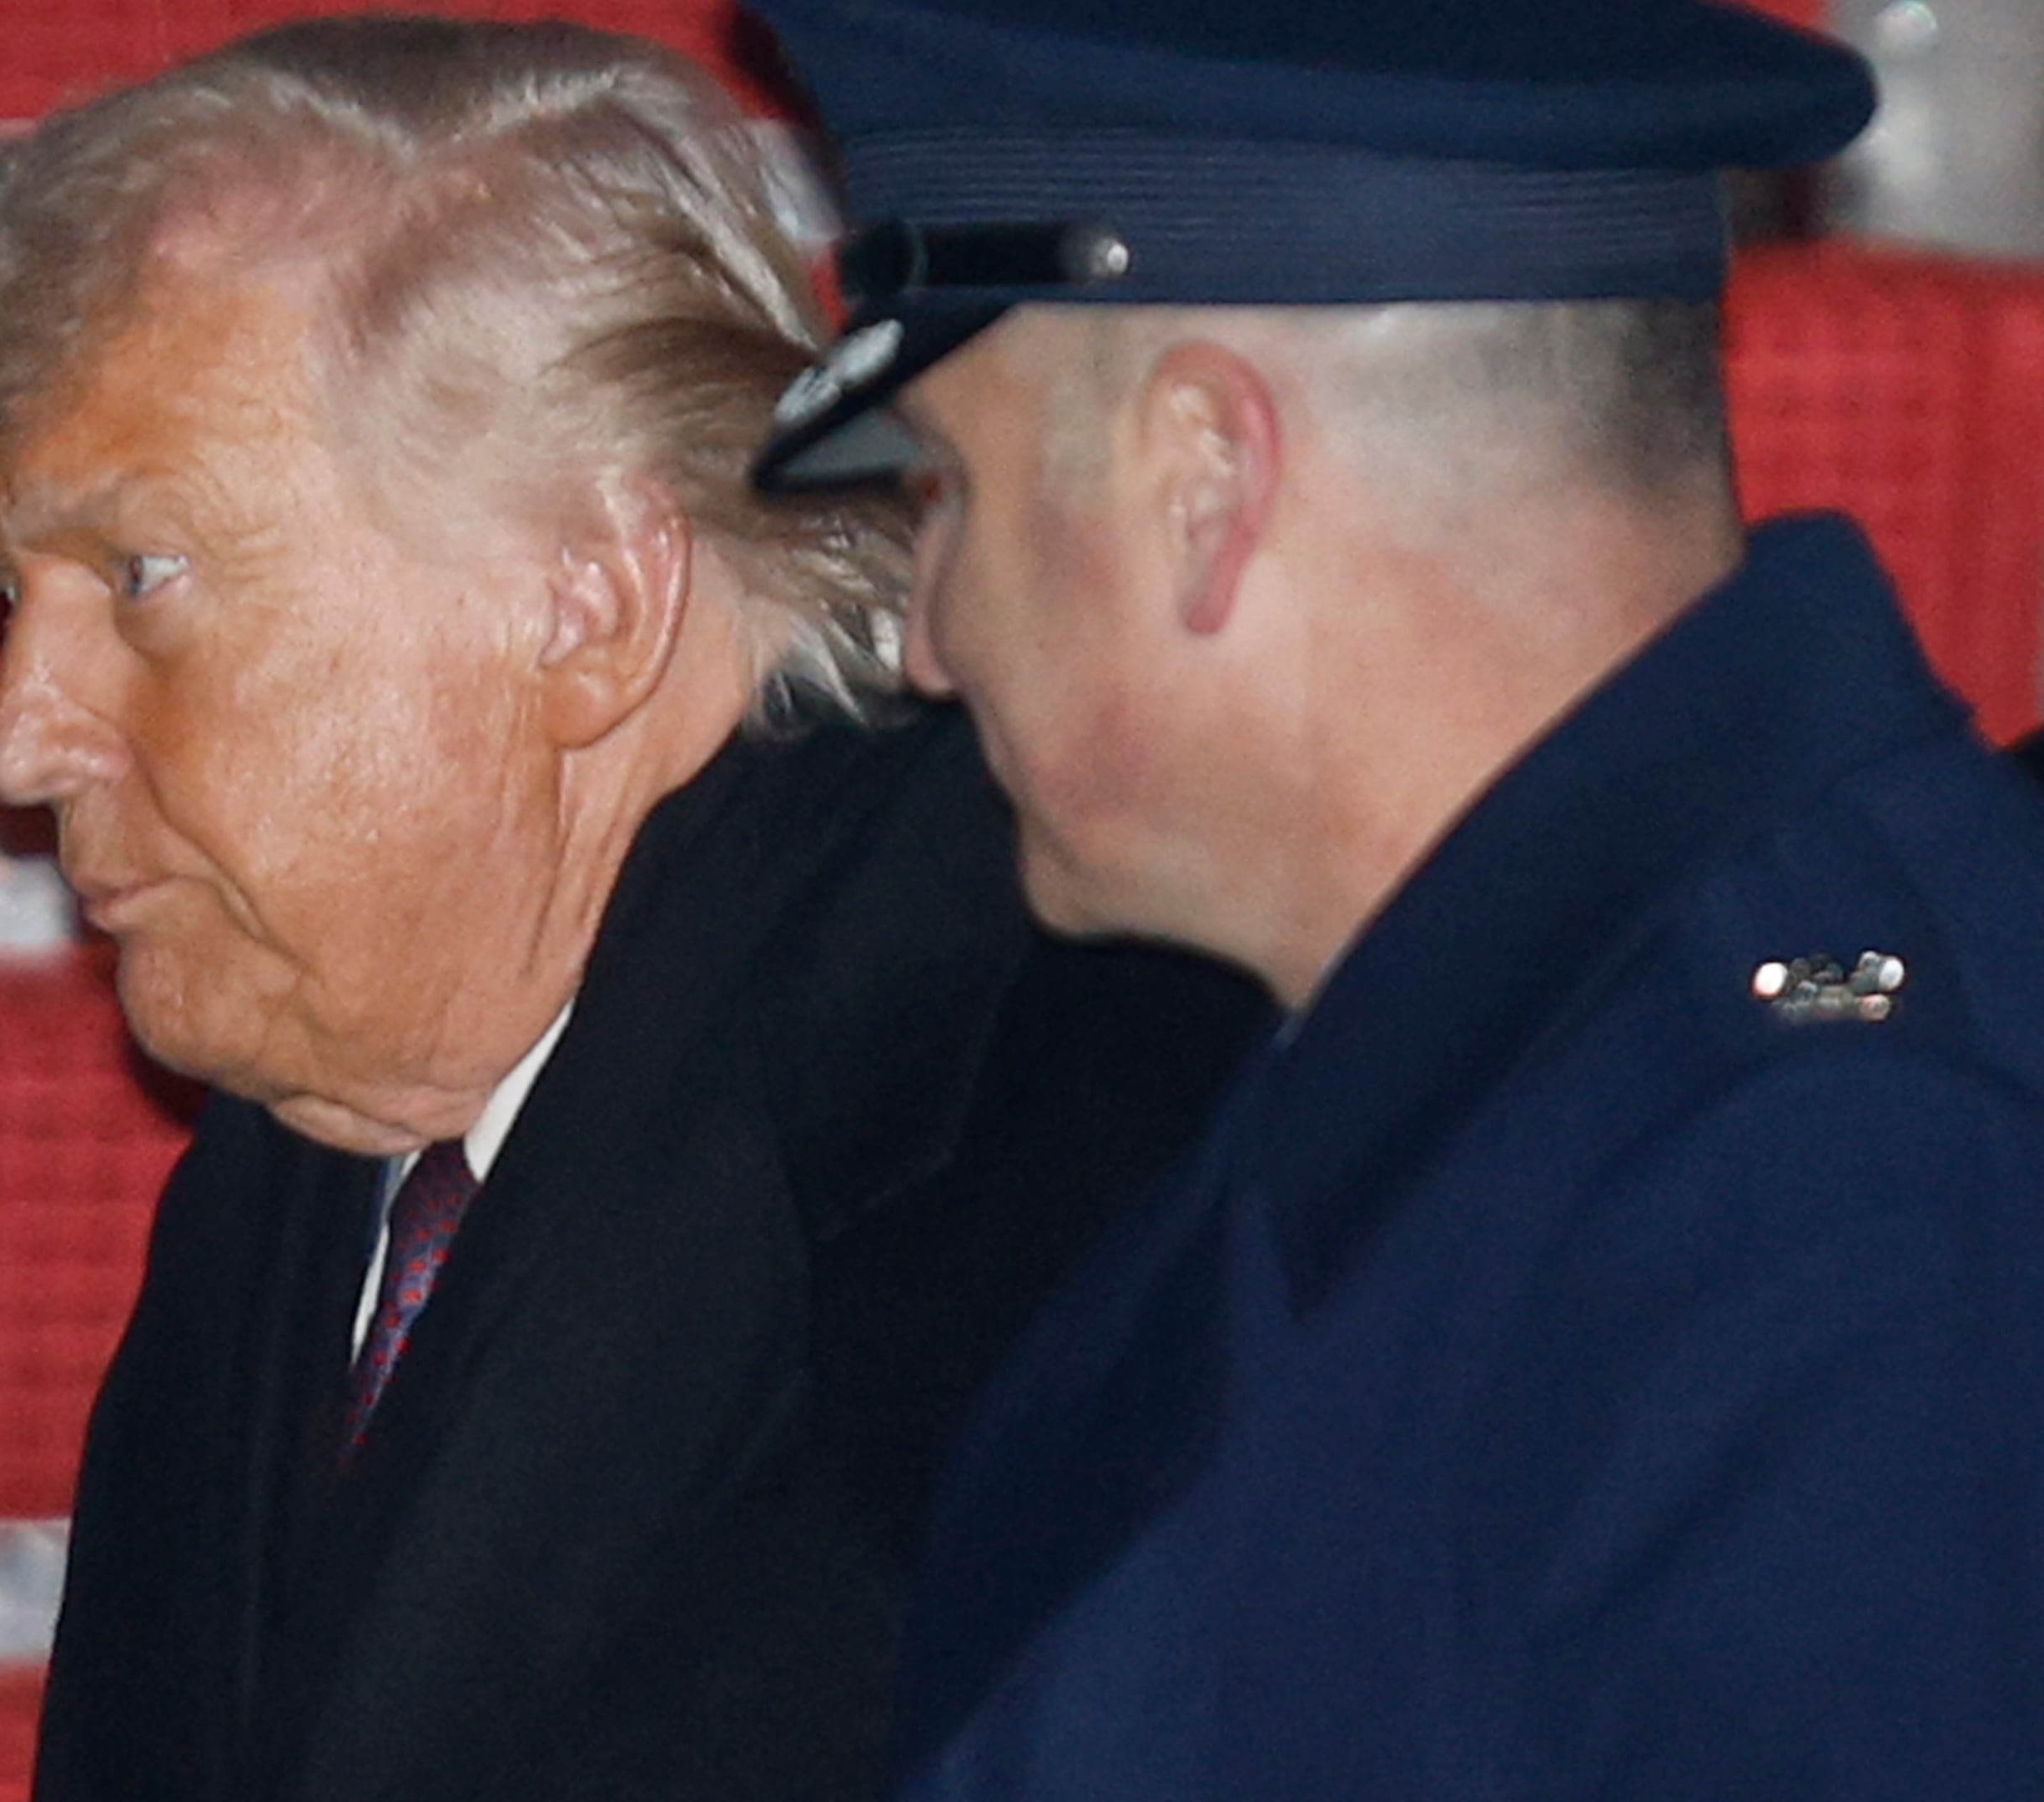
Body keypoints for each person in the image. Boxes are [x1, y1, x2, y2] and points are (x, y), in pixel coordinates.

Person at [0, 17, 1269, 1802]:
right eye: (11, 602)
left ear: (591, 599)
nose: (21, 739)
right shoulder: (304, 1142)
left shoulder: (1076, 1105)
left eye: (142, 574)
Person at [741, 0, 2044, 1796]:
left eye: (949, 489)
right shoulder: (1488, 1065)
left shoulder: (1837, 1208)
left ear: (1207, 478)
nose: (924, 644)